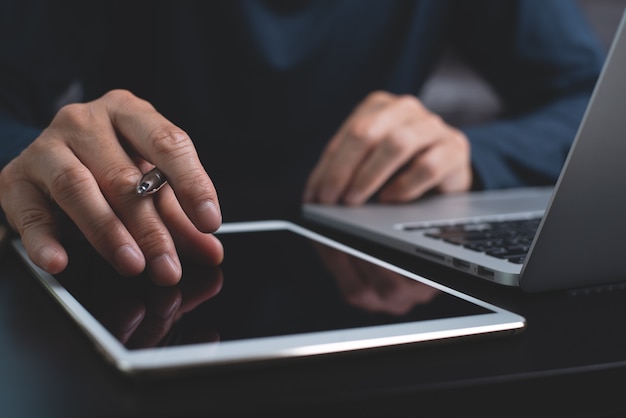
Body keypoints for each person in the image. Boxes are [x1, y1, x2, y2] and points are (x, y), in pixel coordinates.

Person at [0, 0, 606, 286]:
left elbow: (590, 94)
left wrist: (473, 153)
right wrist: (39, 162)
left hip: (380, 275)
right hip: (146, 259)